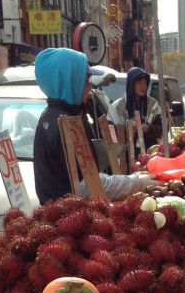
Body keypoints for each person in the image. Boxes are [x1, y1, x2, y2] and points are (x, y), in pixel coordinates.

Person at [32, 48, 153, 206]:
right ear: (71, 81)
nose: (89, 89)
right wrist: (136, 183)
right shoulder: (63, 123)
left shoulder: (56, 115)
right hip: (67, 217)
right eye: (86, 82)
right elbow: (87, 185)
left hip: (69, 214)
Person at [106, 67, 162, 152]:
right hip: (125, 156)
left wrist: (149, 128)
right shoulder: (117, 107)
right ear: (131, 84)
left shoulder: (153, 104)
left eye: (145, 83)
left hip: (150, 154)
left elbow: (163, 128)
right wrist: (125, 130)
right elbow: (110, 132)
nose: (143, 86)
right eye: (139, 83)